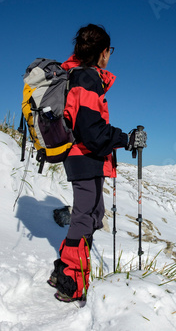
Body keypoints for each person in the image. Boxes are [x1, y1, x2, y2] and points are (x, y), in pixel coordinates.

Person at [47, 24, 133, 302]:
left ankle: (63, 270)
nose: (110, 56)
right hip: (84, 157)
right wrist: (126, 138)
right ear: (103, 52)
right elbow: (91, 131)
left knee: (93, 214)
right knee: (84, 219)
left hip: (84, 158)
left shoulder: (79, 76)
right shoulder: (86, 79)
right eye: (109, 51)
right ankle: (70, 281)